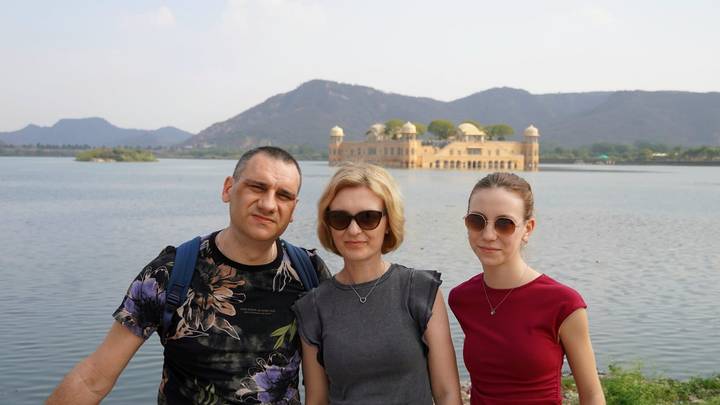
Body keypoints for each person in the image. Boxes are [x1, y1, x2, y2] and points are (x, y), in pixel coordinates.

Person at [48, 146, 331, 405]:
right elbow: (93, 378)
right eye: (257, 187)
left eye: (283, 195)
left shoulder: (308, 273)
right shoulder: (170, 274)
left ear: (293, 209)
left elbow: (335, 373)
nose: (269, 204)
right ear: (228, 189)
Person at [292, 162, 462, 405]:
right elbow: (317, 400)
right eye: (340, 218)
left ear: (388, 222)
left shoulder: (420, 291)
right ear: (328, 225)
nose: (353, 230)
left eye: (368, 218)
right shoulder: (313, 306)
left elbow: (447, 394)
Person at [448, 172, 605, 405]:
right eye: (477, 221)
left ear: (528, 229)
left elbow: (592, 396)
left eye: (504, 224)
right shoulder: (462, 299)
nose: (488, 235)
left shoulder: (563, 303)